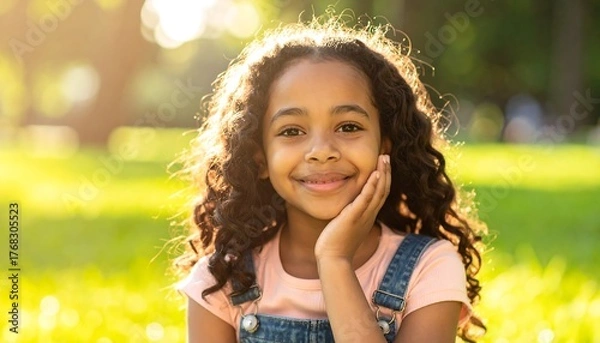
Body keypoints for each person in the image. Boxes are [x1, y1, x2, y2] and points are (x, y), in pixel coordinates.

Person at [173, 14, 487, 343]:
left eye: (348, 127)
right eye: (292, 131)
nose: (321, 151)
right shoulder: (221, 280)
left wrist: (334, 261)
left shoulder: (429, 267)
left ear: (385, 145)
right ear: (260, 158)